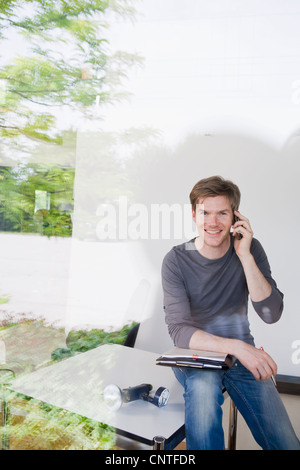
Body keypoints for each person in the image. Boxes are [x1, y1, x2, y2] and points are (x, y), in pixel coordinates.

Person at [161, 176, 300, 450]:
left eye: (222, 213)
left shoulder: (250, 249)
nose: (213, 223)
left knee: (285, 443)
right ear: (193, 215)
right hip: (196, 356)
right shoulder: (176, 260)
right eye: (205, 213)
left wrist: (245, 256)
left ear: (235, 216)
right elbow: (179, 331)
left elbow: (271, 313)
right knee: (202, 391)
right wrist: (239, 347)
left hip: (241, 358)